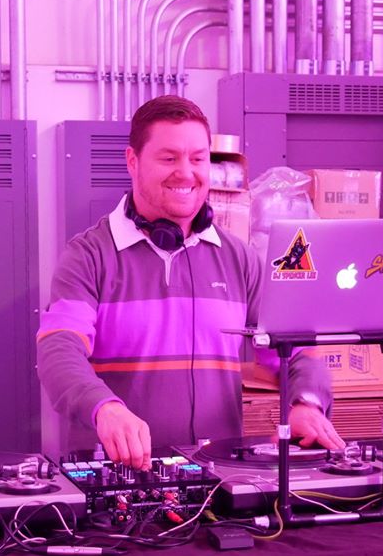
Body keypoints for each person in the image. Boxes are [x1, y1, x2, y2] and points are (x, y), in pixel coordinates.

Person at [37, 95, 343, 469]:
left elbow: (295, 349)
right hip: (119, 477)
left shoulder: (239, 258)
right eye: (169, 158)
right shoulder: (88, 256)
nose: (186, 173)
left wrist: (306, 402)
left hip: (221, 475)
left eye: (198, 159)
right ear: (132, 161)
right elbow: (59, 350)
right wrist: (104, 408)